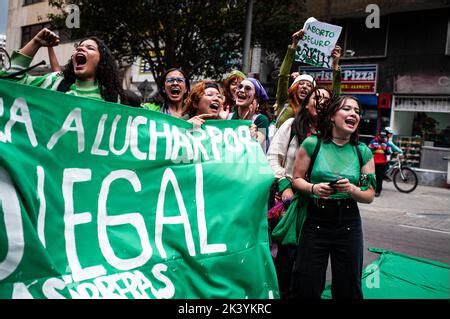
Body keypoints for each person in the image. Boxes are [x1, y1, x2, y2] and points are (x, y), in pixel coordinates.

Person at [291, 95, 376, 299]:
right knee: (307, 282)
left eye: (356, 111)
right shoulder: (313, 144)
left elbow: (369, 195)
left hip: (348, 222)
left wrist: (352, 190)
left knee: (349, 285)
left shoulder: (362, 151)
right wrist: (314, 188)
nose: (353, 114)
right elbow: (296, 179)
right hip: (315, 220)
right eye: (347, 109)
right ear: (331, 116)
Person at [267, 86, 332, 299]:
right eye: (317, 97)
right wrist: (285, 186)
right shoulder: (291, 125)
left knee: (311, 258)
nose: (321, 101)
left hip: (319, 203)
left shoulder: (331, 133)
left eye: (326, 99)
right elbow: (272, 158)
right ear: (306, 102)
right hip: (289, 201)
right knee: (287, 253)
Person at [1, 28, 126, 103]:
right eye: (79, 48)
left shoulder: (114, 98)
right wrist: (36, 42)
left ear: (102, 61)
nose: (81, 49)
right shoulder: (55, 82)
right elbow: (8, 80)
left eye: (90, 48)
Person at [274, 29, 342, 129]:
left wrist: (335, 65)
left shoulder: (315, 111)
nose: (305, 87)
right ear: (294, 87)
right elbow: (283, 76)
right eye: (301, 83)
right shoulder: (283, 101)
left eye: (310, 85)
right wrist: (294, 45)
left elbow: (336, 98)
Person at [228, 77, 271, 151]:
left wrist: (248, 123)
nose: (241, 90)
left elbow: (257, 145)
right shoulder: (228, 117)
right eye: (240, 87)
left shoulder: (262, 120)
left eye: (247, 88)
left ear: (256, 98)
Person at [368, 130, 393, 197]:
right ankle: (370, 189)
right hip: (373, 163)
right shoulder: (373, 142)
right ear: (378, 135)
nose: (382, 138)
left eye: (383, 137)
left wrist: (385, 149)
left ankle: (378, 191)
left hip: (382, 164)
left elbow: (390, 152)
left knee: (379, 178)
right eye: (381, 137)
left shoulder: (386, 143)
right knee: (372, 177)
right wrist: (373, 148)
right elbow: (368, 150)